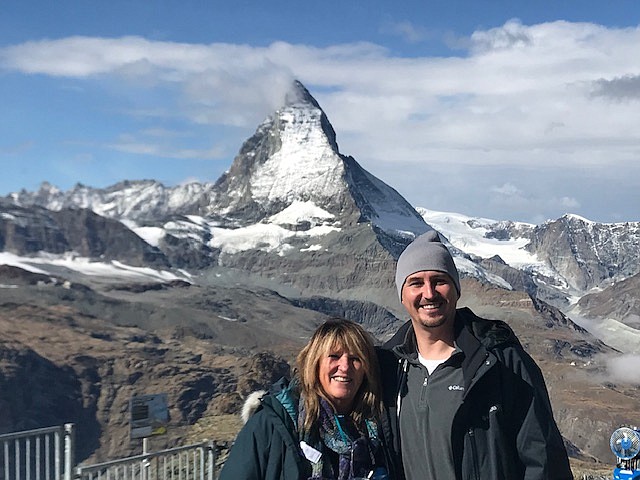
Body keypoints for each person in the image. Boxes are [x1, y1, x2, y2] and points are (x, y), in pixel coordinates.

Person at [377, 230, 573, 479]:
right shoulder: (388, 368)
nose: (429, 293)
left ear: (457, 290)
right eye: (416, 283)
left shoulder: (502, 362)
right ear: (402, 296)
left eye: (439, 280)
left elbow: (544, 461)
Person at [219, 318, 394, 480]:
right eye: (334, 356)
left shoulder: (379, 429)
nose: (345, 366)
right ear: (315, 363)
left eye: (356, 358)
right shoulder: (273, 424)